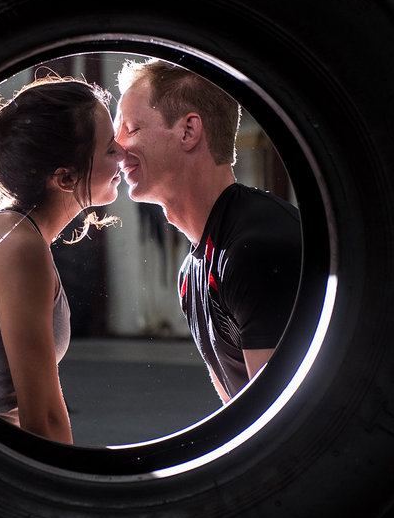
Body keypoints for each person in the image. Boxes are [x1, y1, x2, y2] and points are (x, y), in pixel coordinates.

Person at [0, 76, 124, 443]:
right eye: (111, 148)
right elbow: (44, 421)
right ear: (65, 178)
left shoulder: (17, 234)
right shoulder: (18, 248)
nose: (124, 155)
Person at [115, 59, 312, 403]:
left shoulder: (256, 250)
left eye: (130, 128)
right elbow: (236, 410)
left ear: (188, 131)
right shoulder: (193, 270)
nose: (116, 148)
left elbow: (283, 422)